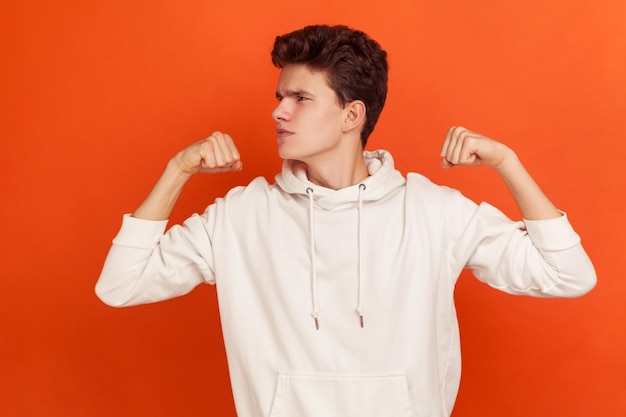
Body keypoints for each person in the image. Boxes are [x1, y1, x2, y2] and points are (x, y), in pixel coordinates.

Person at [96, 24, 596, 417]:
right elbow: (121, 285)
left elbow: (568, 275)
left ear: (352, 115)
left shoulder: (432, 211)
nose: (278, 113)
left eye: (301, 98)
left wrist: (507, 162)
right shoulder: (242, 216)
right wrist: (177, 170)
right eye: (279, 98)